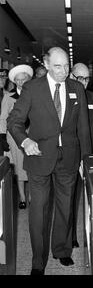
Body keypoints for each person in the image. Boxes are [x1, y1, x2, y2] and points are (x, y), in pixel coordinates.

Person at [7, 47, 91, 275]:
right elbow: (14, 121)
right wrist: (24, 141)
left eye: (66, 66)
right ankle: (37, 261)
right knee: (39, 211)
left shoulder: (77, 89)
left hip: (69, 157)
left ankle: (62, 250)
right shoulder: (32, 88)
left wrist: (87, 159)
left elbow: (83, 127)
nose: (64, 71)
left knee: (66, 207)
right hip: (39, 157)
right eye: (57, 66)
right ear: (46, 64)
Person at [70, 62, 93, 248]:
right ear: (72, 76)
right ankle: (71, 235)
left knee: (91, 198)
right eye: (79, 78)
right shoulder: (66, 95)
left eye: (86, 78)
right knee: (70, 199)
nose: (83, 82)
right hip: (70, 155)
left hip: (90, 154)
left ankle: (92, 233)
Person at [0, 65, 33, 209]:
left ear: (28, 80)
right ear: (14, 81)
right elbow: (3, 118)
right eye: (18, 80)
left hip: (32, 137)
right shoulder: (8, 97)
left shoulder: (35, 94)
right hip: (14, 138)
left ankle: (32, 196)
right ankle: (23, 197)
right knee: (19, 169)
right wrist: (2, 136)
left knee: (33, 167)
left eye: (23, 79)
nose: (21, 82)